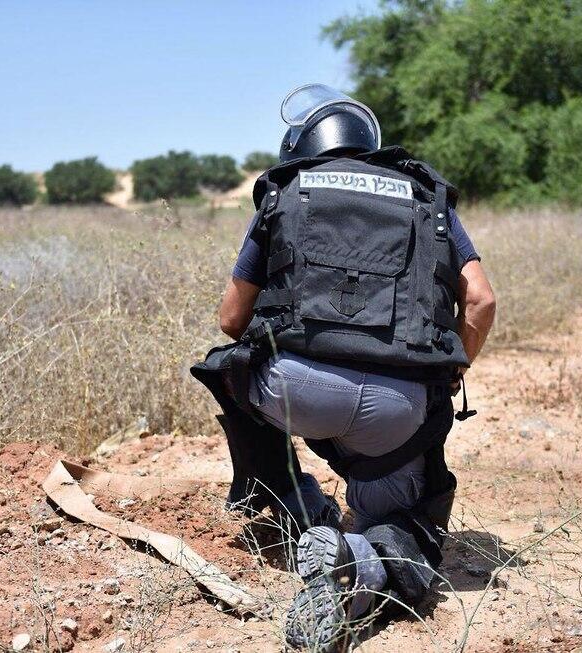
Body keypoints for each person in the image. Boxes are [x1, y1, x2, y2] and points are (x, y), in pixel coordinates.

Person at [192, 84, 495, 651]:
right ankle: (359, 559)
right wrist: (449, 372)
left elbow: (232, 319)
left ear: (301, 146)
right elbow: (480, 301)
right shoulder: (426, 195)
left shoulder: (286, 190)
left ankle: (288, 502)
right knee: (411, 532)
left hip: (291, 392)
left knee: (232, 368)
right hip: (396, 413)